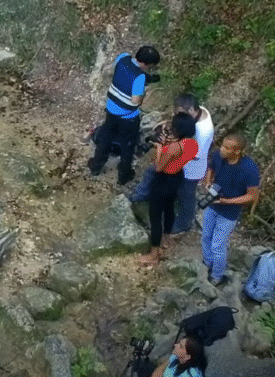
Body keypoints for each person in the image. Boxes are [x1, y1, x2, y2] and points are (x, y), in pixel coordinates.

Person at [129, 94, 214, 233]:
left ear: (191, 109)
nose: (176, 115)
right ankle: (141, 194)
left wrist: (166, 147)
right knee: (153, 172)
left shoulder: (203, 132)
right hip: (180, 160)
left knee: (186, 195)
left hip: (191, 169)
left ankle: (184, 222)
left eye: (179, 113)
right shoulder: (198, 112)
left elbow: (195, 155)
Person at [88, 46, 161, 185]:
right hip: (128, 117)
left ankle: (95, 167)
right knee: (128, 145)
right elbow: (135, 100)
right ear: (148, 64)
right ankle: (124, 176)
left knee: (105, 138)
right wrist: (144, 94)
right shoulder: (140, 77)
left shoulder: (123, 58)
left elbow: (112, 70)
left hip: (111, 109)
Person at [201, 133, 260, 285]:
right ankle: (207, 263)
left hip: (229, 213)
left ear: (237, 151)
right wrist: (208, 183)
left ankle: (217, 276)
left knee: (218, 246)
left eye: (227, 148)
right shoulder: (218, 155)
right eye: (223, 146)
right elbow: (210, 169)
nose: (222, 150)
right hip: (212, 204)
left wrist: (228, 201)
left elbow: (252, 196)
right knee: (206, 236)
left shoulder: (249, 169)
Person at [140, 112, 198, 267]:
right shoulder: (192, 144)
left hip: (163, 180)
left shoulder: (174, 147)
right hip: (177, 177)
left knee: (155, 216)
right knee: (169, 208)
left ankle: (154, 254)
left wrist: (159, 149)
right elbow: (180, 157)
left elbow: (159, 167)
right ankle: (166, 238)